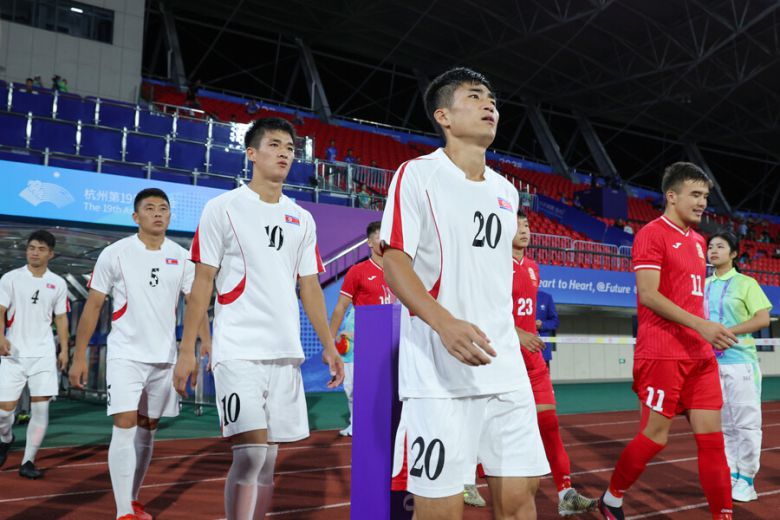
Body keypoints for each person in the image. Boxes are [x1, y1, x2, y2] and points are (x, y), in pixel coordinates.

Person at [383, 67, 548, 520]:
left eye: (491, 98)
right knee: (440, 510)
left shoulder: (506, 191)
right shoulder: (417, 174)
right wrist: (445, 324)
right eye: (474, 96)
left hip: (505, 368)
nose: (489, 104)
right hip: (439, 376)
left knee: (520, 501)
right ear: (444, 117)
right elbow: (394, 262)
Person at [173, 117, 344, 520]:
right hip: (238, 349)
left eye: (290, 147)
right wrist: (187, 350)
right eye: (274, 145)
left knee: (267, 462)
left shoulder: (301, 217)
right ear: (251, 153)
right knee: (250, 454)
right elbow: (202, 283)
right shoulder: (222, 208)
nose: (284, 153)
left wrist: (329, 345)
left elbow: (310, 287)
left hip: (284, 352)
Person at [597, 162, 738, 520]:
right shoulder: (652, 234)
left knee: (712, 441)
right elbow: (648, 295)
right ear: (671, 196)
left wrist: (704, 331)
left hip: (699, 355)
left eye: (705, 196)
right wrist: (701, 325)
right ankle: (612, 498)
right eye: (695, 194)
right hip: (663, 353)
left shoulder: (699, 241)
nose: (702, 202)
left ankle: (723, 515)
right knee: (656, 437)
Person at [69, 188, 211, 520]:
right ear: (136, 216)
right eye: (150, 208)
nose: (157, 214)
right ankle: (123, 513)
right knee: (124, 424)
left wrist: (206, 342)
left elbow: (195, 304)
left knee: (148, 427)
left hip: (164, 357)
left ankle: (132, 498)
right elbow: (93, 306)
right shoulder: (115, 253)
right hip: (125, 355)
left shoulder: (182, 257)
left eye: (163, 208)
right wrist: (78, 355)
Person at [510, 211, 596, 515]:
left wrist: (530, 332)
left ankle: (565, 493)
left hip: (533, 361)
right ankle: (467, 479)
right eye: (518, 225)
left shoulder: (533, 267)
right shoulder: (493, 265)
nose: (525, 230)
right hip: (504, 360)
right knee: (502, 431)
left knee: (549, 425)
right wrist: (517, 333)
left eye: (527, 225)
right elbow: (485, 312)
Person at [705, 231, 772, 503]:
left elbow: (763, 319)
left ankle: (747, 480)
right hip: (711, 364)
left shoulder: (746, 283)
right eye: (710, 246)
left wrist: (727, 332)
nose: (713, 250)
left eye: (720, 246)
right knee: (723, 424)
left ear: (733, 254)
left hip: (741, 363)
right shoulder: (704, 285)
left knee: (746, 424)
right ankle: (732, 473)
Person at [0, 230, 69, 479]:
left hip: (43, 355)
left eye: (41, 249)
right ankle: (5, 438)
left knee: (41, 409)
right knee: (3, 412)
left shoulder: (58, 283)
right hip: (13, 353)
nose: (34, 253)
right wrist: (1, 337)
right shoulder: (11, 278)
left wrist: (64, 348)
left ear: (50, 253)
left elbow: (61, 317)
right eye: (31, 248)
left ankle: (28, 461)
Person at [329, 221, 394, 437]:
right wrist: (330, 342)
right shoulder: (358, 271)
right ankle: (356, 422)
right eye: (379, 236)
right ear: (369, 242)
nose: (384, 241)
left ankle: (385, 424)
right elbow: (341, 307)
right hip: (359, 339)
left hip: (389, 337)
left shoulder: (399, 272)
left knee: (387, 387)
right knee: (353, 387)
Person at [536, 290, 559, 368]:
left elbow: (555, 322)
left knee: (544, 374)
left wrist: (543, 324)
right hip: (522, 348)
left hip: (542, 349)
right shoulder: (519, 295)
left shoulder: (546, 297)